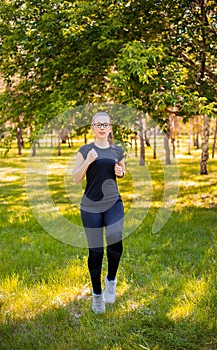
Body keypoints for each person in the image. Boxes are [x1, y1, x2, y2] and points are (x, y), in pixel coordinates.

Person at [72, 111, 126, 314]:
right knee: (96, 252)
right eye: (98, 124)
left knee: (115, 242)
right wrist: (88, 162)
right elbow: (75, 178)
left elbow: (122, 170)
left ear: (110, 128)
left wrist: (121, 172)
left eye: (105, 124)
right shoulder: (85, 150)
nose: (102, 127)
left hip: (113, 203)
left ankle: (111, 280)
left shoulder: (117, 150)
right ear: (93, 128)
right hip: (90, 206)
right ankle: (96, 295)